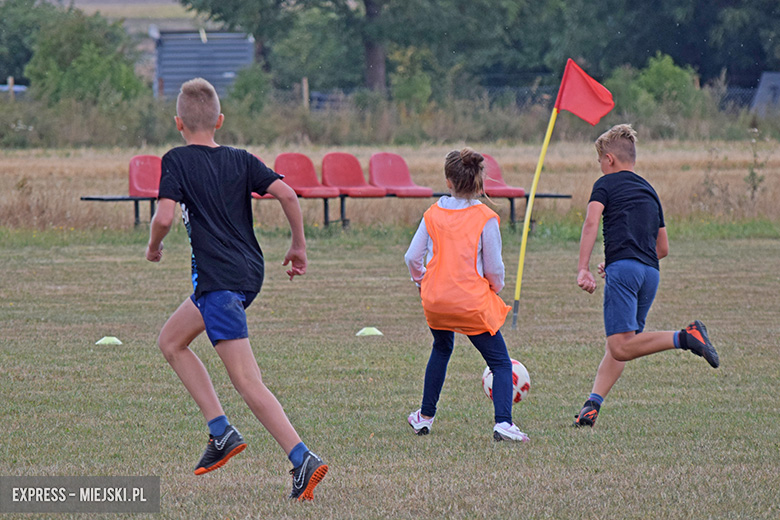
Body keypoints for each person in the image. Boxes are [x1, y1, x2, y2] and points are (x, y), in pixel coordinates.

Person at [145, 78, 327, 500]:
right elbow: (287, 194)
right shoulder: (240, 158)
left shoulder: (174, 159)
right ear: (220, 121)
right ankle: (220, 431)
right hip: (243, 273)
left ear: (178, 123)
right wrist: (298, 245)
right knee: (171, 341)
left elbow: (165, 219)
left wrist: (153, 247)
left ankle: (303, 458)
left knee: (247, 381)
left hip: (220, 282)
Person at [573, 123, 719, 428]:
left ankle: (685, 337)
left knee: (621, 345)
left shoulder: (605, 184)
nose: (600, 166)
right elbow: (662, 247)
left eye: (600, 161)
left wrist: (584, 267)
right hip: (650, 273)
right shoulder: (648, 190)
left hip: (625, 270)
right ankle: (592, 405)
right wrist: (619, 262)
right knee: (625, 344)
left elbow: (590, 223)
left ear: (609, 159)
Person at [404, 148, 529, 443]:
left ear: (448, 180)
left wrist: (422, 282)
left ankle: (424, 416)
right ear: (479, 181)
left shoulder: (432, 213)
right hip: (470, 303)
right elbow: (494, 268)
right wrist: (494, 289)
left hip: (435, 302)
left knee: (442, 347)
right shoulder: (485, 217)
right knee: (499, 362)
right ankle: (504, 423)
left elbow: (412, 257)